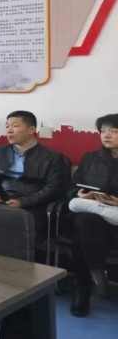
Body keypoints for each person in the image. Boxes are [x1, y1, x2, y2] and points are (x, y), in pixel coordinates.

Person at [0, 110, 70, 237]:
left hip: (33, 205)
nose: (9, 131)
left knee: (11, 226)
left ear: (31, 129)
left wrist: (22, 202)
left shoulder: (52, 157)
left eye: (15, 126)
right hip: (1, 201)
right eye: (7, 126)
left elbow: (54, 188)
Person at [67, 113, 118, 316]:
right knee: (86, 221)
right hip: (94, 218)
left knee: (79, 238)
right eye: (103, 131)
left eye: (114, 131)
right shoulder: (90, 158)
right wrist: (80, 194)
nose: (106, 135)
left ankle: (84, 288)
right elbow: (73, 187)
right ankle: (97, 274)